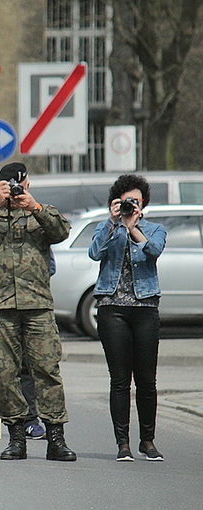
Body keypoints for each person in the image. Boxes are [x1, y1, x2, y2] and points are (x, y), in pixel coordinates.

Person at [0, 163, 77, 461]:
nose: (14, 190)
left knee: (47, 371)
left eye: (18, 184)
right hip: (1, 307)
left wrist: (34, 205)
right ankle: (16, 437)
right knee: (6, 373)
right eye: (7, 185)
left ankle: (56, 437)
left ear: (27, 182)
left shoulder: (40, 211)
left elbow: (62, 231)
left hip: (37, 305)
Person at [88, 174, 167, 462]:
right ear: (116, 202)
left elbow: (154, 251)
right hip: (112, 308)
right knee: (119, 380)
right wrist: (113, 224)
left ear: (143, 202)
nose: (131, 205)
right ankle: (123, 443)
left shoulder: (154, 229)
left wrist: (134, 229)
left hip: (145, 307)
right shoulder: (106, 227)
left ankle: (148, 440)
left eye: (136, 201)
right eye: (126, 201)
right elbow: (94, 253)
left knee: (146, 379)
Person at [0, 185, 45, 441]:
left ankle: (31, 418)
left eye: (1, 196)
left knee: (26, 367)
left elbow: (49, 259)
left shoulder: (33, 219)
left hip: (27, 305)